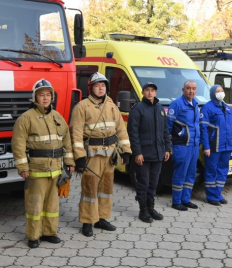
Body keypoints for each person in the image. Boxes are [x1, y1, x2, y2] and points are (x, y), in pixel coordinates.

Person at [12, 79, 75, 248]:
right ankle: (33, 236)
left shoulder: (58, 117)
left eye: (48, 95)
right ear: (35, 97)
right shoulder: (25, 118)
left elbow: (67, 142)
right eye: (42, 95)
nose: (45, 98)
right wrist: (23, 167)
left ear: (52, 97)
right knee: (35, 204)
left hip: (55, 170)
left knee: (52, 205)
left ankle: (49, 233)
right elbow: (18, 145)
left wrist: (69, 162)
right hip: (36, 170)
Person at [70, 72, 131, 237]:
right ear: (91, 88)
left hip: (110, 156)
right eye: (97, 85)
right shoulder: (82, 107)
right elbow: (75, 134)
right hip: (92, 156)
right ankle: (87, 221)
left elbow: (121, 130)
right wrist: (80, 157)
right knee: (90, 189)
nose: (100, 88)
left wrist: (126, 151)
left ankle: (101, 218)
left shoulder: (112, 106)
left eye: (103, 85)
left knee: (106, 189)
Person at [127, 82, 172, 223]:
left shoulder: (159, 109)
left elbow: (165, 131)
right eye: (147, 90)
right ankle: (143, 210)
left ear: (156, 93)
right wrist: (137, 153)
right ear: (142, 92)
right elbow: (133, 133)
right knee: (143, 183)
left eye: (153, 90)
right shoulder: (137, 109)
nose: (150, 93)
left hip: (158, 154)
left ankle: (151, 208)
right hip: (144, 155)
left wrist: (167, 148)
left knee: (153, 183)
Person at [200, 85, 232, 206]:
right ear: (212, 93)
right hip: (213, 146)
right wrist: (206, 146)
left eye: (221, 91)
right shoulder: (207, 108)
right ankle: (211, 196)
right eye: (217, 91)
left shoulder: (227, 108)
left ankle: (218, 194)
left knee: (222, 171)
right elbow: (203, 129)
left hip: (227, 146)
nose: (220, 93)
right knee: (211, 171)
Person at [167, 80, 200, 211]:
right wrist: (175, 138)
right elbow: (169, 124)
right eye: (188, 88)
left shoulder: (196, 103)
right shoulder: (177, 104)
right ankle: (176, 201)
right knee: (180, 173)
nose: (191, 91)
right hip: (182, 145)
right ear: (183, 90)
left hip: (194, 145)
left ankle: (186, 199)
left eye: (193, 88)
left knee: (191, 174)